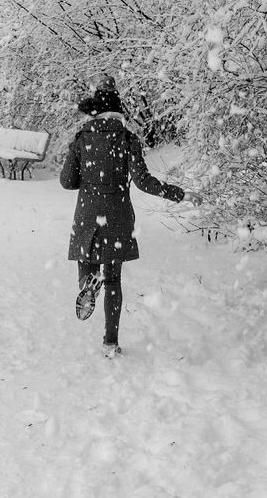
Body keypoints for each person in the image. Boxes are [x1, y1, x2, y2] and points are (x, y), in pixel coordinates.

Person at [60, 85, 194, 357]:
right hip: (117, 215)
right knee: (114, 281)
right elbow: (143, 181)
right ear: (118, 112)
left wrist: (87, 178)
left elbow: (66, 181)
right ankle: (110, 342)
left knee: (87, 261)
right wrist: (178, 193)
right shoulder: (126, 139)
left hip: (87, 212)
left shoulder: (81, 138)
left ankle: (89, 281)